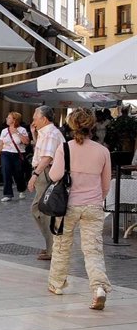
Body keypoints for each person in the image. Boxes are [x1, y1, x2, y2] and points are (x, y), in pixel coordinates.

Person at [47, 109, 112, 310]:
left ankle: (57, 283)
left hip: (68, 205)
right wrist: (96, 198)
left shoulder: (65, 148)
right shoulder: (103, 151)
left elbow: (54, 176)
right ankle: (99, 288)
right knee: (93, 249)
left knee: (62, 244)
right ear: (92, 126)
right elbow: (106, 184)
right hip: (94, 205)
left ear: (71, 125)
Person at [25, 105, 65, 261]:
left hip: (46, 172)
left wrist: (35, 175)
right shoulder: (46, 133)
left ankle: (53, 248)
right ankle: (51, 246)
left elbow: (47, 157)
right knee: (42, 209)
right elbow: (41, 151)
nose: (33, 121)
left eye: (35, 118)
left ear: (44, 119)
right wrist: (34, 134)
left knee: (42, 209)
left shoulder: (50, 134)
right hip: (44, 171)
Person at [0, 111, 30, 202]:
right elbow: (0, 144)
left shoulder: (22, 130)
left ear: (14, 120)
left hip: (18, 154)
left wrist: (17, 132)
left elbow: (26, 142)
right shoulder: (4, 131)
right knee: (6, 172)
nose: (7, 119)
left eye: (9, 118)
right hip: (5, 153)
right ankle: (7, 194)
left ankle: (21, 189)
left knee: (18, 174)